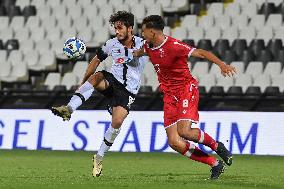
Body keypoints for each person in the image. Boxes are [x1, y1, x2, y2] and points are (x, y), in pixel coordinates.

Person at [133, 15, 236, 179]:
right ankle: (215, 164)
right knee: (174, 142)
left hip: (185, 89)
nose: (141, 33)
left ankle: (216, 145)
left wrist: (222, 65)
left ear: (152, 31)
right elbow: (139, 52)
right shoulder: (147, 46)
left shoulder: (174, 46)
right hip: (169, 96)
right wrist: (127, 55)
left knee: (184, 131)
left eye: (143, 30)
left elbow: (201, 53)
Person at [51, 11, 148, 178]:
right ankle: (69, 109)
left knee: (117, 122)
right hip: (112, 81)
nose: (117, 32)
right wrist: (83, 83)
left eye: (120, 28)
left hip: (128, 91)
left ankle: (99, 157)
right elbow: (95, 61)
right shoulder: (111, 44)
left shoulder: (143, 44)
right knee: (97, 76)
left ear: (130, 28)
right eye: (115, 28)